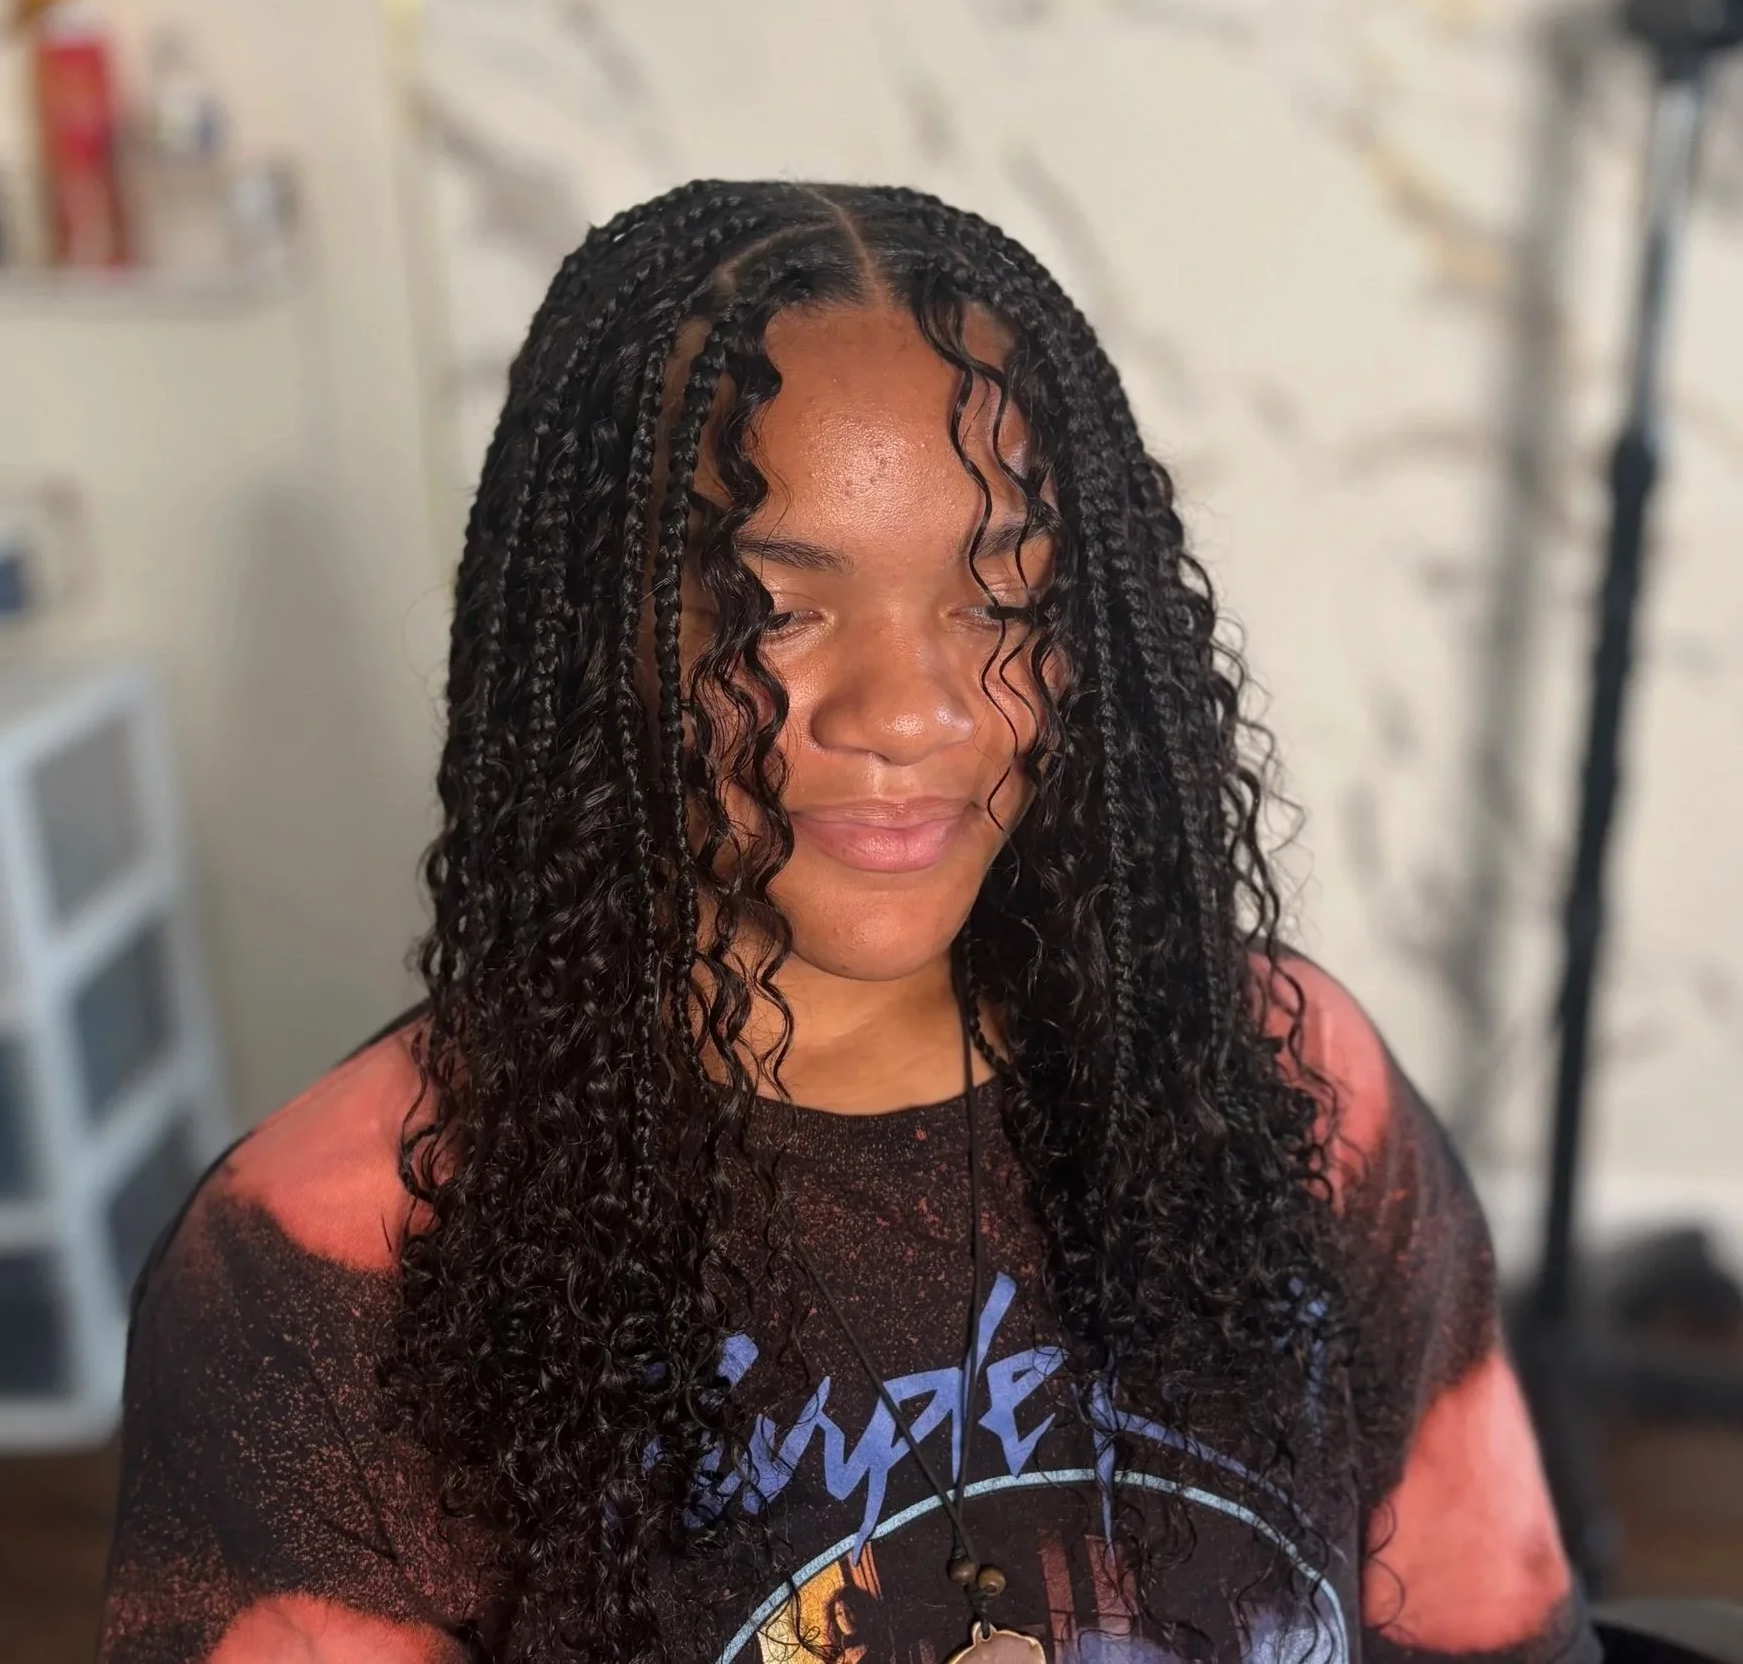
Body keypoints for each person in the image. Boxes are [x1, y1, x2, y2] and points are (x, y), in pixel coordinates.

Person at [97, 182, 1595, 1664]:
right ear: (596, 631)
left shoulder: (1279, 1077)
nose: (915, 709)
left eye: (1003, 597)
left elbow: (1490, 1624)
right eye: (774, 609)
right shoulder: (335, 1258)